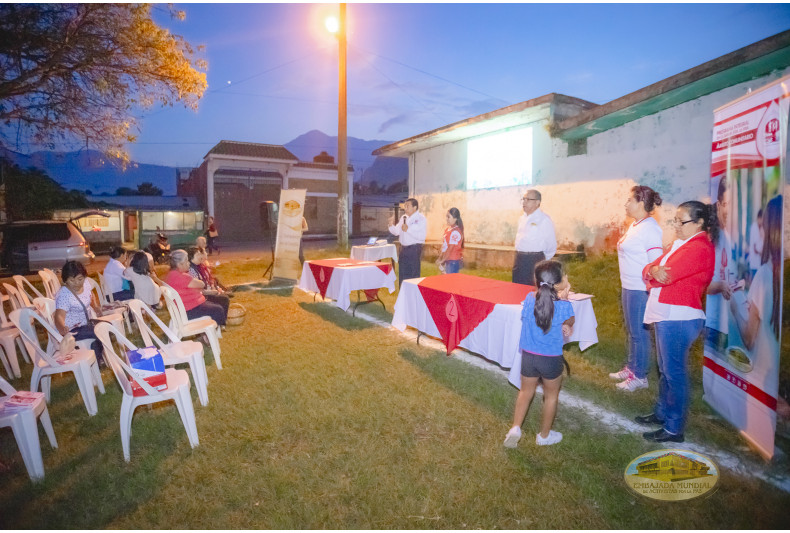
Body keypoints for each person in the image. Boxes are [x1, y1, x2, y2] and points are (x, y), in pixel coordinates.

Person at [636, 200, 716, 443]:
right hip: (667, 313)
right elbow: (649, 268)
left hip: (679, 317)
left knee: (674, 373)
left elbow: (666, 276)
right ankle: (662, 414)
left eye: (682, 221)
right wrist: (652, 270)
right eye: (675, 221)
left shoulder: (699, 248)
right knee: (665, 371)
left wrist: (654, 271)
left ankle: (674, 428)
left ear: (700, 223)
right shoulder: (681, 244)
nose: (677, 225)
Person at [504, 260, 574, 448]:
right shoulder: (563, 305)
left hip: (528, 356)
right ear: (559, 282)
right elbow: (570, 320)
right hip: (550, 359)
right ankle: (544, 436)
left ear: (536, 280)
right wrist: (565, 299)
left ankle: (515, 428)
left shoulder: (529, 298)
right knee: (551, 396)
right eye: (564, 275)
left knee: (525, 392)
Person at [729, 196, 786, 415]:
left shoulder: (766, 273)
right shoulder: (776, 274)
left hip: (763, 382)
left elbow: (749, 338)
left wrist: (735, 308)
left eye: (763, 227)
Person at [610, 186, 664, 392]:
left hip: (640, 288)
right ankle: (632, 367)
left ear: (641, 203)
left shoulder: (650, 228)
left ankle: (640, 376)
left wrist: (650, 289)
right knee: (633, 331)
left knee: (640, 333)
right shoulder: (636, 225)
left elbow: (655, 262)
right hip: (628, 285)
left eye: (629, 200)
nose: (626, 204)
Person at [53, 261, 104, 363]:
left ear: (84, 277)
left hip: (86, 324)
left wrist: (96, 306)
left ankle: (97, 357)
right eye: (72, 280)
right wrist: (63, 328)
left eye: (80, 279)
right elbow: (58, 316)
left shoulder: (86, 283)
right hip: (73, 330)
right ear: (65, 281)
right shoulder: (64, 294)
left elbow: (90, 296)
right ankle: (96, 361)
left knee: (108, 328)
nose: (77, 283)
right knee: (100, 331)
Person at [165, 249, 227, 327]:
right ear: (180, 264)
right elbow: (201, 284)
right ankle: (209, 333)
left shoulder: (171, 275)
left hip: (185, 309)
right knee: (218, 309)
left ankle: (207, 333)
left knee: (215, 305)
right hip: (189, 311)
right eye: (187, 261)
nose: (188, 264)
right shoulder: (181, 277)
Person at [513, 189, 557, 286]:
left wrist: (542, 259)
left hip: (535, 260)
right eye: (523, 199)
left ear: (537, 202)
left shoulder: (544, 219)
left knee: (533, 288)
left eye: (528, 199)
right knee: (517, 287)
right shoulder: (522, 218)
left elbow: (551, 244)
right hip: (520, 258)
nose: (524, 202)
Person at [388, 198, 427, 287]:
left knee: (413, 274)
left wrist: (408, 229)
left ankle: (413, 295)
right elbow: (397, 231)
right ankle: (403, 295)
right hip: (403, 249)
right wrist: (391, 225)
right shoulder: (403, 217)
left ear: (414, 207)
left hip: (414, 249)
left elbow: (421, 236)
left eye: (407, 206)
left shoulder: (421, 218)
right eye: (405, 206)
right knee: (403, 273)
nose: (405, 208)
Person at [187, 247, 230, 318]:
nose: (201, 256)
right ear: (192, 257)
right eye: (198, 254)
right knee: (224, 299)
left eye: (200, 254)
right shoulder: (191, 270)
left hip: (205, 292)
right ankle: (220, 322)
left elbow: (209, 279)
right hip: (202, 296)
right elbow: (198, 290)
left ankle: (221, 321)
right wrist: (213, 291)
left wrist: (214, 287)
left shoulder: (199, 266)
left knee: (224, 298)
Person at [436, 207, 464, 274]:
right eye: (446, 217)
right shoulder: (448, 229)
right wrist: (440, 258)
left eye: (448, 217)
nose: (447, 219)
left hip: (452, 261)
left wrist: (442, 260)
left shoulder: (456, 232)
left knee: (451, 282)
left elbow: (450, 249)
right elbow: (444, 246)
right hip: (447, 260)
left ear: (455, 218)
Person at [747, 208, 764, 282]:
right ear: (759, 218)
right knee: (754, 281)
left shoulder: (762, 228)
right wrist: (761, 253)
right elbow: (755, 247)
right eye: (762, 219)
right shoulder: (754, 227)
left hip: (759, 261)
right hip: (755, 260)